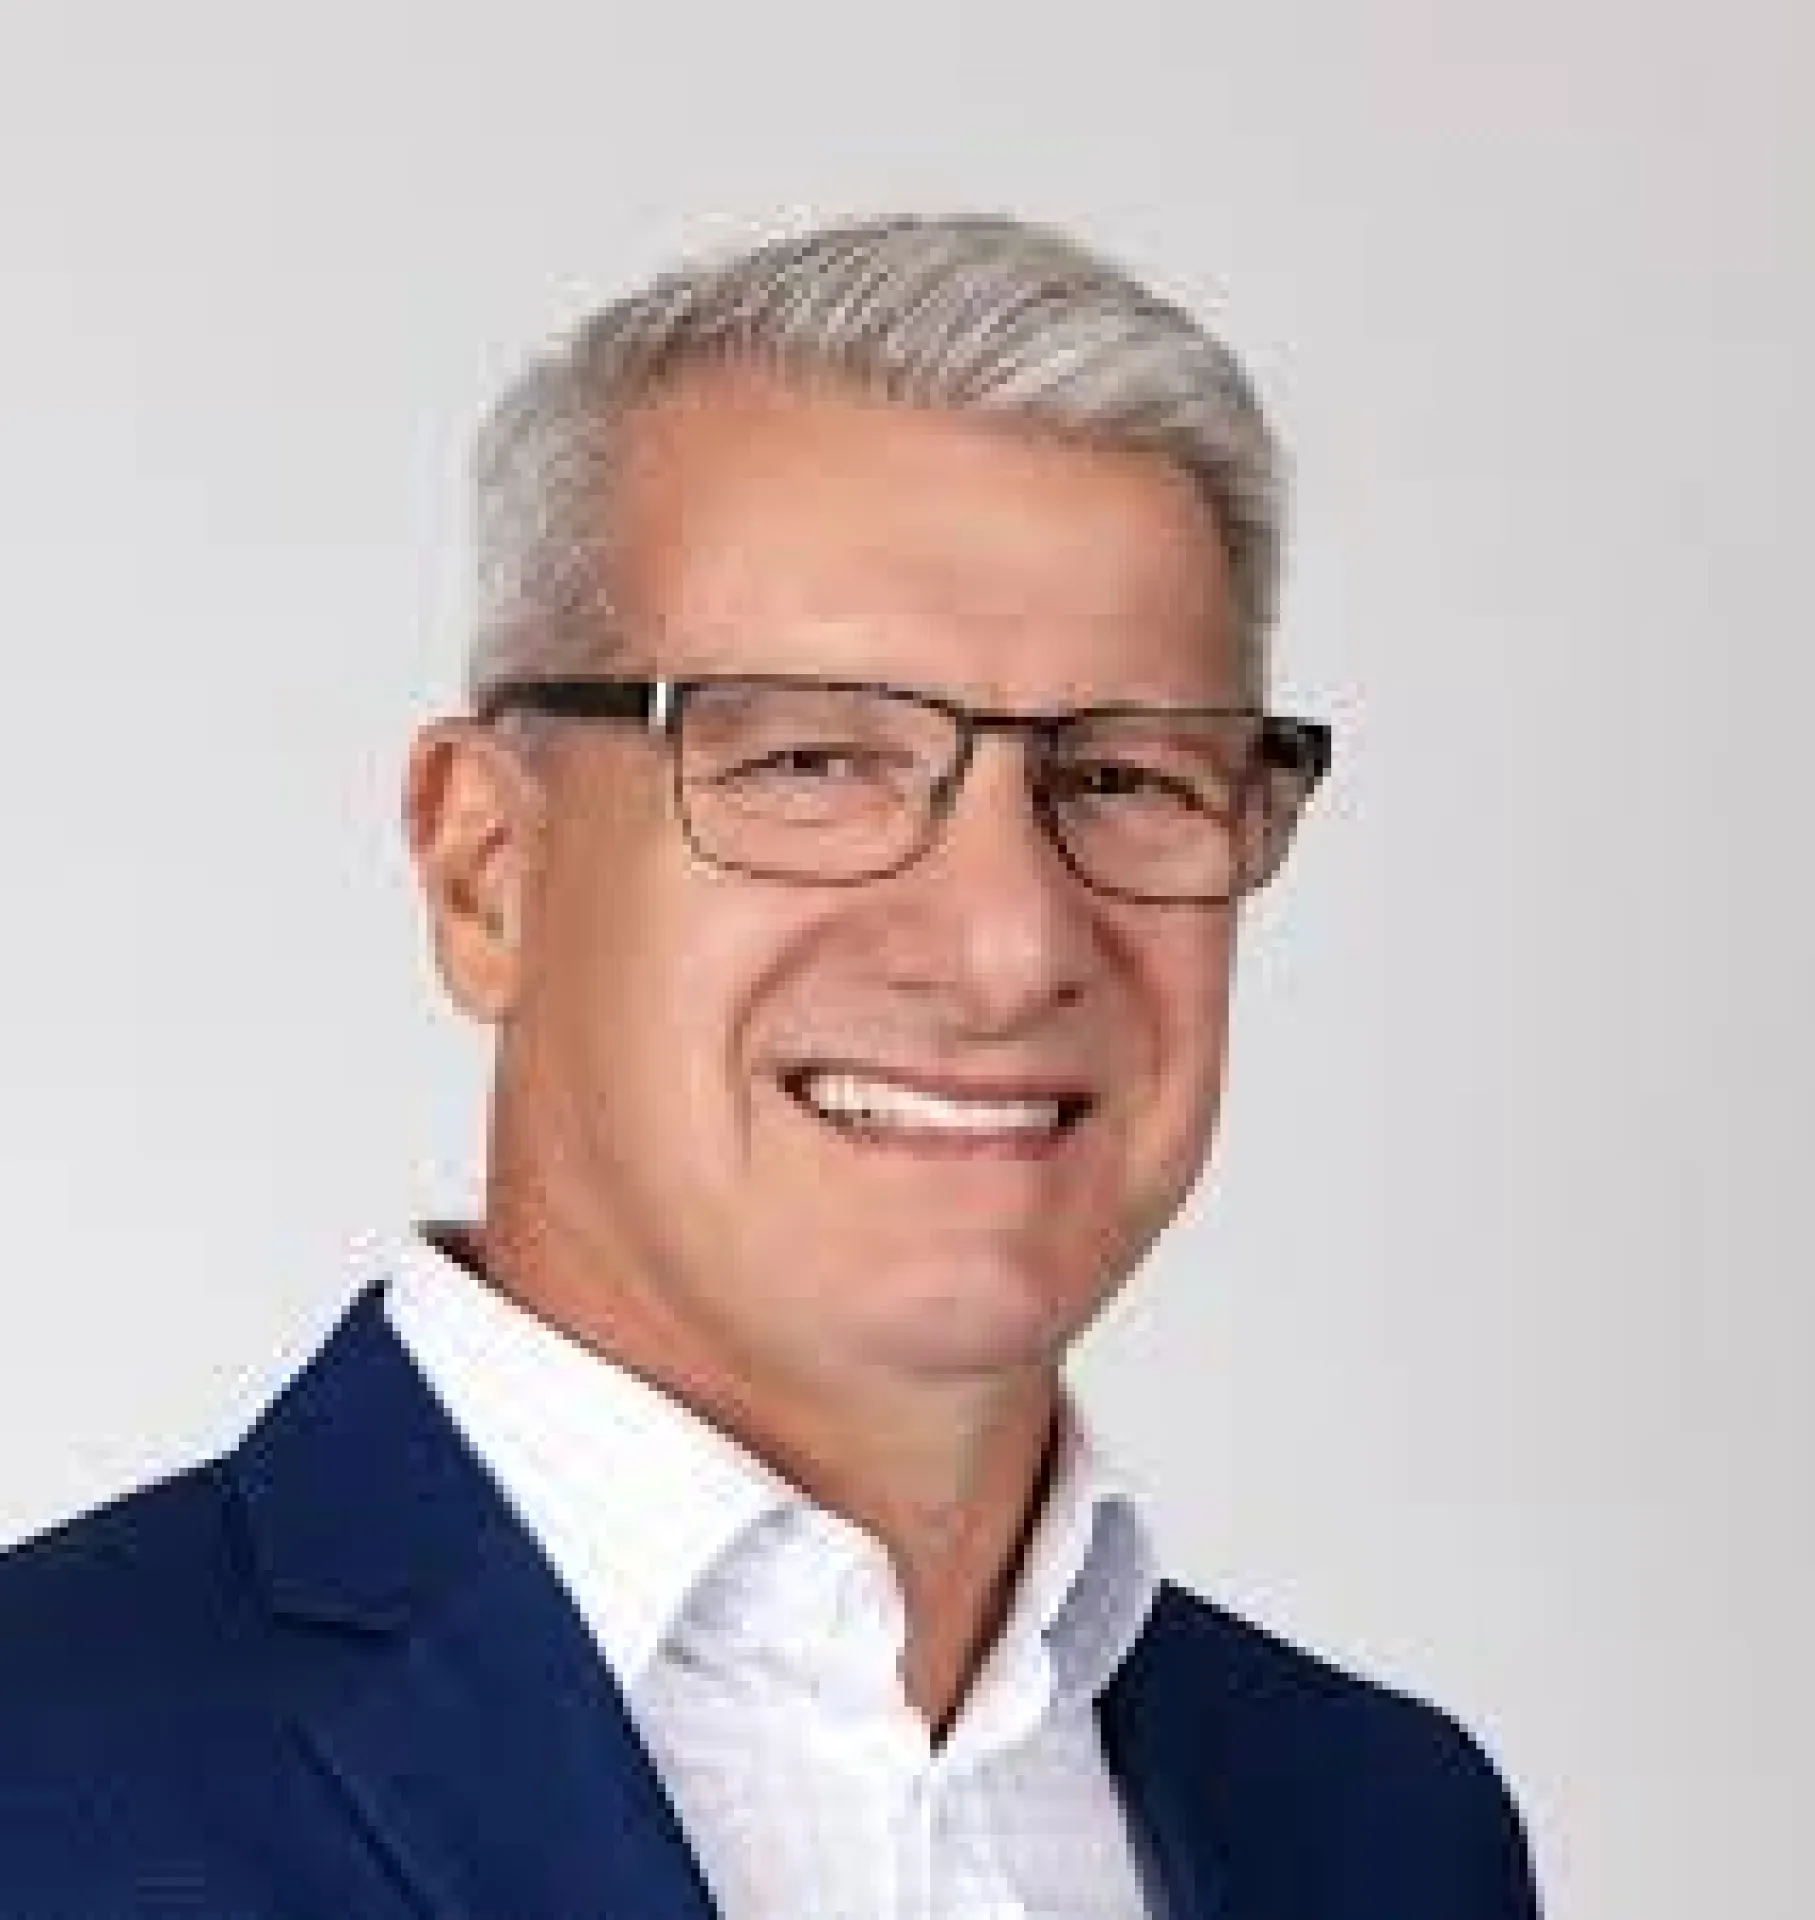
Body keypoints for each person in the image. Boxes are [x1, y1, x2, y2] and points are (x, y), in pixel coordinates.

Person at [0, 213, 1540, 1917]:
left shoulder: (1384, 1832)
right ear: (487, 870)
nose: (1009, 945)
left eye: (1126, 779)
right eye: (813, 761)